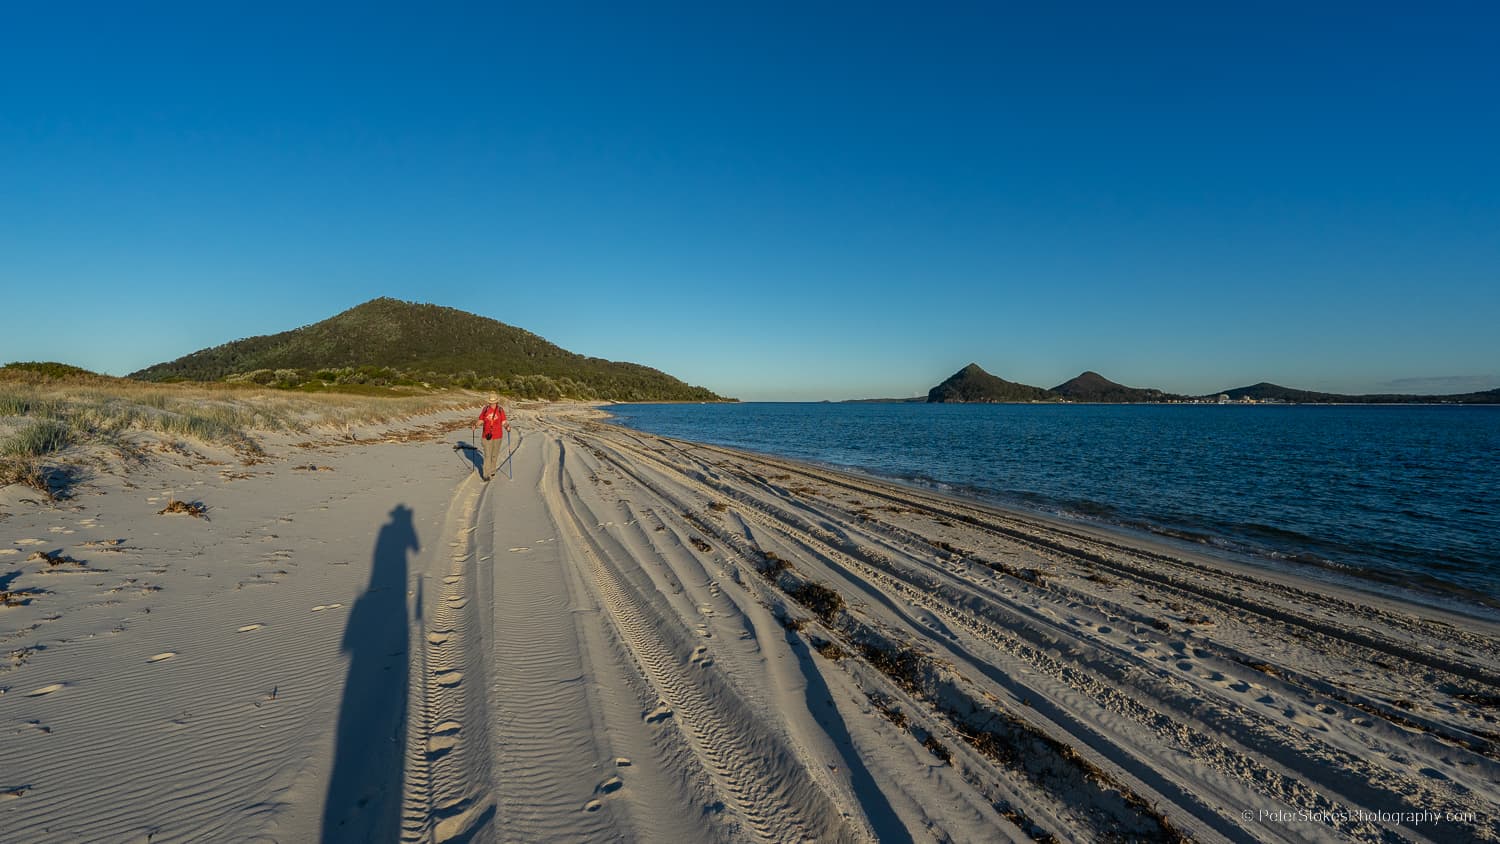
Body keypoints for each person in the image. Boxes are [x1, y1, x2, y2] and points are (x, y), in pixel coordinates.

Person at [476, 394, 511, 481]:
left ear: (497, 402)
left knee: (494, 455)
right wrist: (475, 425)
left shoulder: (500, 410)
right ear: (489, 402)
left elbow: (503, 422)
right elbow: (481, 420)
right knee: (488, 455)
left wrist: (507, 427)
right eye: (491, 402)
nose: (492, 404)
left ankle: (492, 470)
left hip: (498, 436)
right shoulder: (485, 409)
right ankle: (486, 475)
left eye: (494, 402)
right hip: (486, 436)